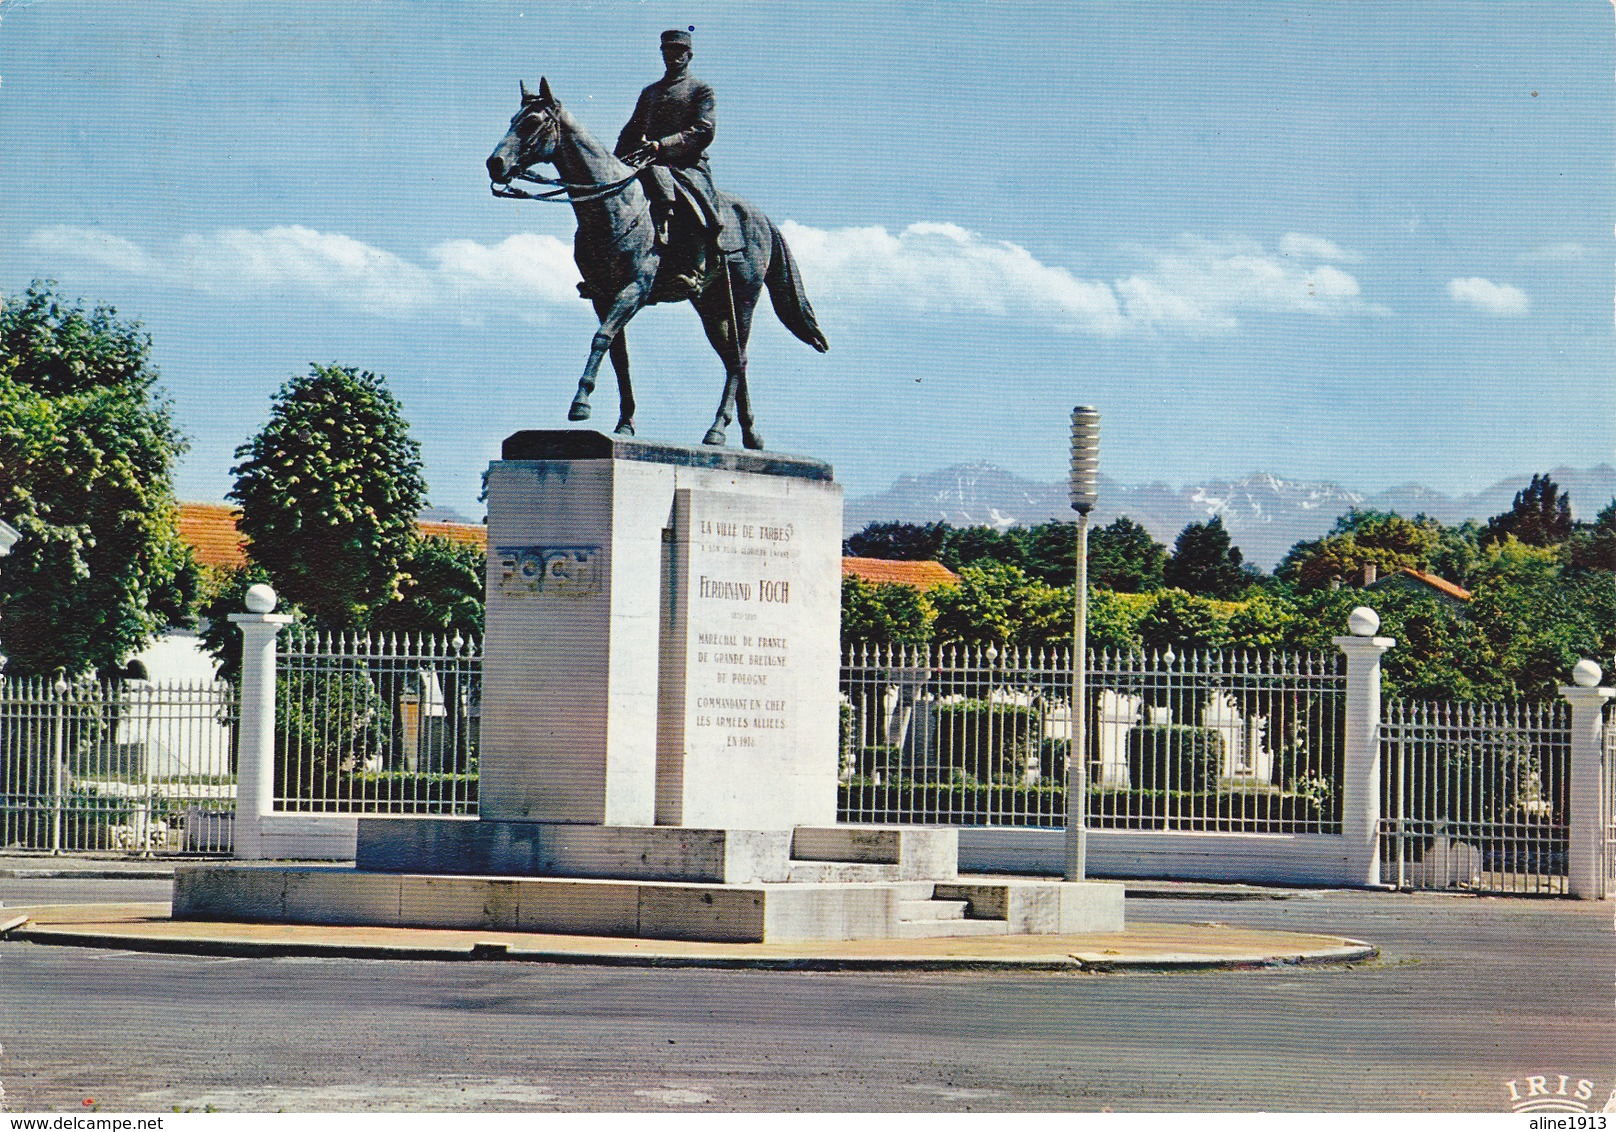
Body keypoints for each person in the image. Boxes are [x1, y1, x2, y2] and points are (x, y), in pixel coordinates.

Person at [615, 28, 724, 268]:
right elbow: (632, 130)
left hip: (686, 163)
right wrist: (614, 163)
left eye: (679, 50)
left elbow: (704, 130)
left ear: (689, 55)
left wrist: (662, 145)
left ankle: (698, 261)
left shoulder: (700, 90)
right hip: (647, 161)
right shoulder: (650, 92)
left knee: (692, 203)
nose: (673, 55)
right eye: (668, 50)